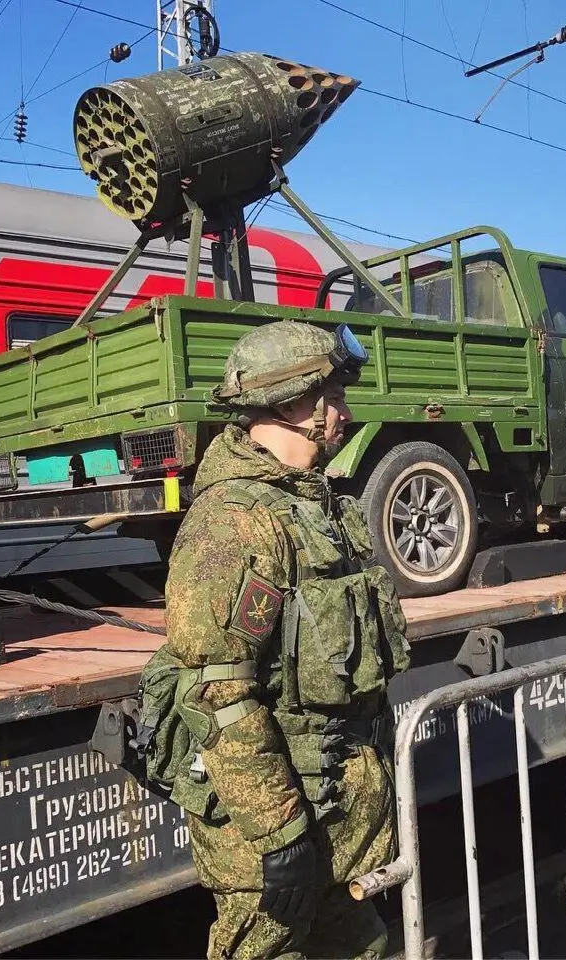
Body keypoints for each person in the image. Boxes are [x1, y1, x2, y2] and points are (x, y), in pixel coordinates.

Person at [161, 319, 411, 959]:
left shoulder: (315, 504)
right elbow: (219, 692)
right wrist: (281, 835)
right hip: (273, 831)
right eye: (333, 397)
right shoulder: (237, 522)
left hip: (332, 809)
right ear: (290, 402)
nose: (344, 414)